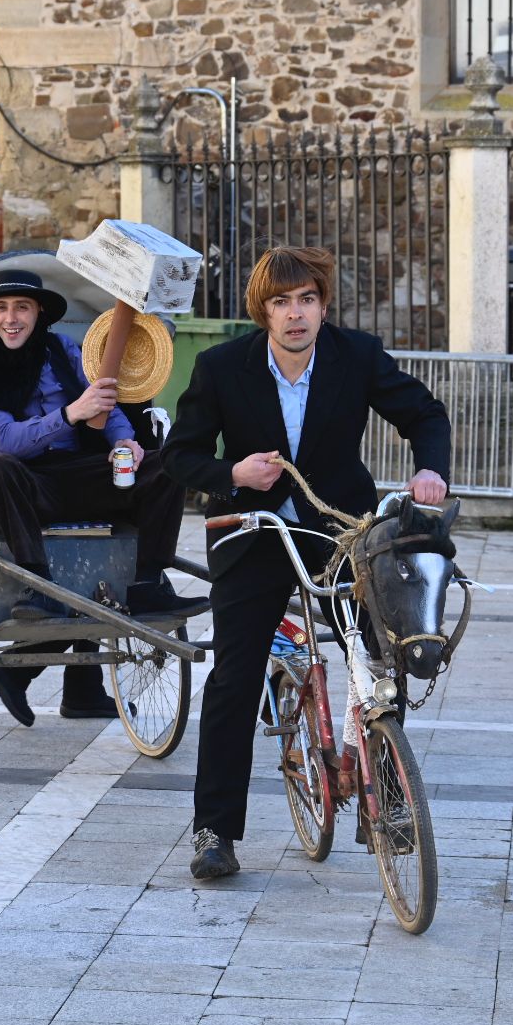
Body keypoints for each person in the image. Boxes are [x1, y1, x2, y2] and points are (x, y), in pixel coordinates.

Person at [162, 245, 451, 880]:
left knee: (378, 656)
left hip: (338, 530)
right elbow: (179, 455)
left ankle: (390, 804)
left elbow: (424, 413)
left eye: (307, 300)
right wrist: (231, 472)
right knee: (235, 676)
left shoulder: (356, 356)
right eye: (281, 302)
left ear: (323, 305)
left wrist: (430, 469)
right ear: (262, 311)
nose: (296, 314)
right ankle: (215, 830)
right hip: (251, 528)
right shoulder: (220, 367)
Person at [0, 268, 206, 726]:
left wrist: (124, 441)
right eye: (1, 308)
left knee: (168, 461)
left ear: (38, 316)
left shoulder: (62, 350)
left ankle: (147, 582)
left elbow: (105, 396)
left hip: (84, 473)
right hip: (27, 484)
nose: (10, 318)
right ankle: (37, 587)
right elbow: (7, 440)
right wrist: (71, 414)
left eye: (21, 308)